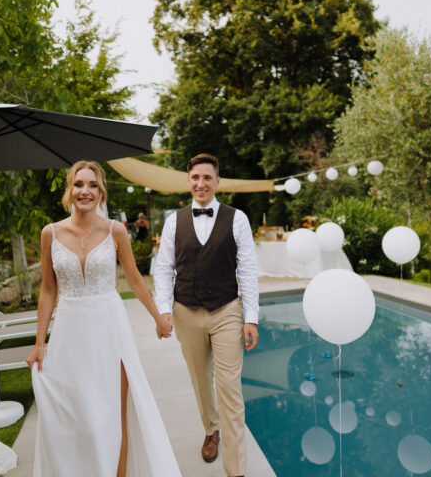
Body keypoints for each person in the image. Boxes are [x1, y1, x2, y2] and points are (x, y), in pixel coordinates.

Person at [25, 161, 181, 477]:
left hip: (110, 328)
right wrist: (40, 343)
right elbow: (47, 290)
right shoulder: (50, 234)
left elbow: (135, 279)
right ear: (69, 190)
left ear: (101, 191)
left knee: (114, 412)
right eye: (79, 184)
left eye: (93, 185)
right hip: (70, 330)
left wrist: (158, 317)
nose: (86, 191)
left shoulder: (116, 231)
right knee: (79, 416)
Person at [153, 153, 259, 477]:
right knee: (201, 381)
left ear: (217, 182)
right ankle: (211, 429)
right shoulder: (174, 220)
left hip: (227, 310)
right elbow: (163, 269)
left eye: (207, 178)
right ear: (188, 180)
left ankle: (236, 470)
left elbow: (249, 270)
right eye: (195, 177)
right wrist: (163, 310)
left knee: (229, 387)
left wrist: (251, 317)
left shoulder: (237, 218)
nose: (201, 183)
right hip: (185, 311)